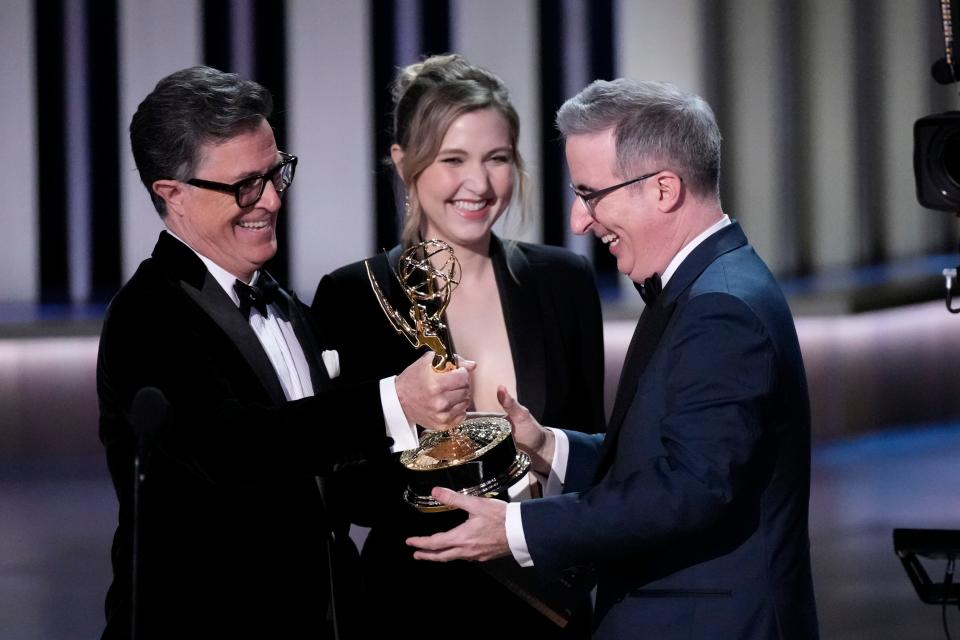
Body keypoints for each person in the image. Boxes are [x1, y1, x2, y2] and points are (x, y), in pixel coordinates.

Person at [407, 79, 820, 639]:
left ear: (664, 189)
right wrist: (546, 444)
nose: (580, 220)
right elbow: (672, 451)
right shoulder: (704, 285)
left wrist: (519, 528)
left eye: (591, 194)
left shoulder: (721, 307)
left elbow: (690, 488)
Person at [97, 65, 471, 640]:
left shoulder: (283, 301)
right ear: (171, 194)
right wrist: (393, 401)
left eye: (276, 175)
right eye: (245, 184)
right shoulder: (148, 316)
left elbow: (321, 474)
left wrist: (472, 485)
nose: (270, 200)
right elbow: (236, 448)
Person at [311, 54, 604, 638]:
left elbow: (596, 454)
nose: (479, 183)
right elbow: (340, 484)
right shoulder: (351, 295)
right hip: (412, 604)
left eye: (497, 159)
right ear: (404, 165)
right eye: (452, 160)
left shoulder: (563, 282)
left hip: (546, 602)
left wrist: (543, 461)